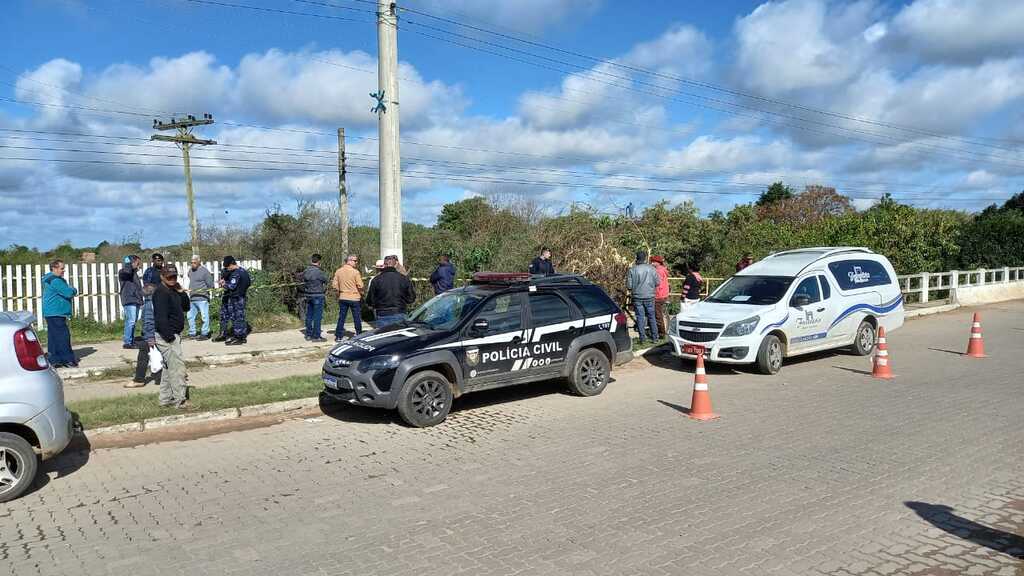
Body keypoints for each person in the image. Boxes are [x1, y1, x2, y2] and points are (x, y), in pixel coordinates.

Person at [153, 264, 191, 408]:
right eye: (169, 277)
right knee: (177, 368)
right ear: (162, 277)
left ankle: (165, 399)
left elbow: (186, 307)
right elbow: (160, 318)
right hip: (166, 335)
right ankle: (179, 400)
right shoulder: (160, 293)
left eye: (174, 276)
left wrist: (181, 292)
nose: (172, 279)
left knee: (169, 368)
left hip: (173, 334)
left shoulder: (173, 290)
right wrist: (170, 337)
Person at [42, 259, 78, 368]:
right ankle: (68, 360)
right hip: (57, 311)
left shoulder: (49, 278)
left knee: (53, 337)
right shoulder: (56, 281)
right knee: (63, 336)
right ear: (54, 268)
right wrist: (73, 289)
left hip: (51, 312)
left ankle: (54, 360)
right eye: (62, 268)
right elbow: (68, 292)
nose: (64, 271)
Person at [125, 281, 161, 389]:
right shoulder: (154, 303)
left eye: (144, 289)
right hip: (155, 334)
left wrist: (149, 337)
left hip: (150, 336)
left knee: (143, 357)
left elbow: (149, 322)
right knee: (160, 356)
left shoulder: (149, 305)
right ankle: (162, 376)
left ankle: (139, 379)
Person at [366, 255, 416, 327]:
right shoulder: (404, 279)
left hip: (382, 313)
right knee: (400, 337)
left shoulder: (376, 280)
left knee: (384, 337)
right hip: (399, 312)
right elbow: (411, 298)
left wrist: (377, 305)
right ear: (395, 264)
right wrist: (403, 301)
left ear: (384, 265)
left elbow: (370, 300)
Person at [626, 251, 661, 344]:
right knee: (651, 317)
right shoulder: (652, 269)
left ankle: (642, 338)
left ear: (636, 258)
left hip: (637, 297)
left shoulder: (632, 269)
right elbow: (658, 282)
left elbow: (629, 286)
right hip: (650, 296)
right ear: (645, 258)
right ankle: (655, 338)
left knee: (640, 317)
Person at [218, 256, 251, 345]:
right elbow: (249, 283)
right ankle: (239, 336)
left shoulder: (237, 273)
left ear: (232, 264)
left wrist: (224, 284)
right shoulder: (243, 271)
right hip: (239, 296)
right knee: (238, 317)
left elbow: (231, 286)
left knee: (237, 317)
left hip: (237, 298)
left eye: (228, 266)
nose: (227, 268)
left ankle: (239, 337)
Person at [332, 254, 364, 341]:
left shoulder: (338, 271)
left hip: (343, 297)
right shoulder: (355, 272)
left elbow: (334, 285)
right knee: (356, 317)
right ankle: (359, 334)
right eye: (355, 261)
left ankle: (338, 336)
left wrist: (339, 291)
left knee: (342, 317)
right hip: (354, 297)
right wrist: (361, 292)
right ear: (349, 261)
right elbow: (360, 285)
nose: (356, 262)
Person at [301, 253, 329, 342]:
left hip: (308, 295)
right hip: (318, 295)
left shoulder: (306, 271)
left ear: (311, 260)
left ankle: (308, 334)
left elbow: (303, 279)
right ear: (319, 262)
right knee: (317, 317)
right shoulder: (319, 272)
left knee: (309, 315)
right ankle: (316, 336)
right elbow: (326, 280)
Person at [186, 255, 214, 340]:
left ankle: (205, 333)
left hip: (202, 298)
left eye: (194, 262)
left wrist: (205, 291)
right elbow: (190, 279)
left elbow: (210, 284)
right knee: (190, 316)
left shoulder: (205, 271)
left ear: (199, 262)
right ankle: (192, 333)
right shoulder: (190, 271)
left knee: (204, 317)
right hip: (192, 298)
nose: (193, 264)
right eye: (191, 262)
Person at [118, 255, 143, 349]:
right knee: (131, 320)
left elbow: (138, 288)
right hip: (129, 299)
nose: (138, 265)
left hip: (135, 299)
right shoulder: (123, 272)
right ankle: (127, 342)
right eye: (137, 263)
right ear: (132, 262)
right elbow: (127, 272)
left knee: (133, 321)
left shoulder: (135, 274)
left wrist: (141, 300)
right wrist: (129, 264)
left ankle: (131, 341)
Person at [650, 255, 670, 339]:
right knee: (659, 314)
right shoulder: (663, 269)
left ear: (657, 262)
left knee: (658, 315)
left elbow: (656, 284)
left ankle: (662, 333)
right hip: (664, 294)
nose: (651, 263)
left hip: (658, 295)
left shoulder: (658, 271)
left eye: (653, 261)